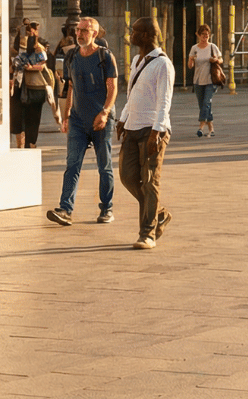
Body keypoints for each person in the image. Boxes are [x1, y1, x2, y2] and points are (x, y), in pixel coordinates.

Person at [46, 16, 117, 228]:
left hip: (100, 120)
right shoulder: (72, 56)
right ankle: (65, 210)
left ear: (94, 33)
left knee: (104, 166)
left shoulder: (105, 56)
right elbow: (70, 88)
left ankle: (107, 208)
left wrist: (105, 112)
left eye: (84, 30)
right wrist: (66, 116)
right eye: (78, 30)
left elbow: (113, 88)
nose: (79, 34)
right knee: (72, 165)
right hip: (78, 120)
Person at [118, 16, 174, 250]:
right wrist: (123, 118)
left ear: (145, 35)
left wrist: (156, 132)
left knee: (150, 181)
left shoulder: (163, 64)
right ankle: (159, 213)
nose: (130, 35)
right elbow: (133, 93)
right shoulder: (137, 61)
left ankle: (147, 233)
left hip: (152, 129)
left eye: (134, 31)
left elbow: (164, 101)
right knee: (127, 176)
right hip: (132, 127)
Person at [11, 21, 56, 148]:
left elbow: (43, 65)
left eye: (32, 30)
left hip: (34, 87)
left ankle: (29, 143)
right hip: (20, 86)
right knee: (20, 116)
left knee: (32, 116)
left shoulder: (39, 47)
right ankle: (24, 142)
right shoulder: (16, 47)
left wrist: (30, 67)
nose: (31, 33)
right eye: (28, 31)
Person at [184, 24, 222, 137]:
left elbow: (221, 60)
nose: (205, 37)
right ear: (199, 35)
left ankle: (201, 127)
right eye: (203, 35)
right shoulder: (194, 48)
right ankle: (211, 128)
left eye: (207, 35)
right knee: (203, 105)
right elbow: (190, 66)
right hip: (198, 80)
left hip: (211, 80)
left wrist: (215, 60)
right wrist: (191, 59)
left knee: (206, 102)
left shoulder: (212, 47)